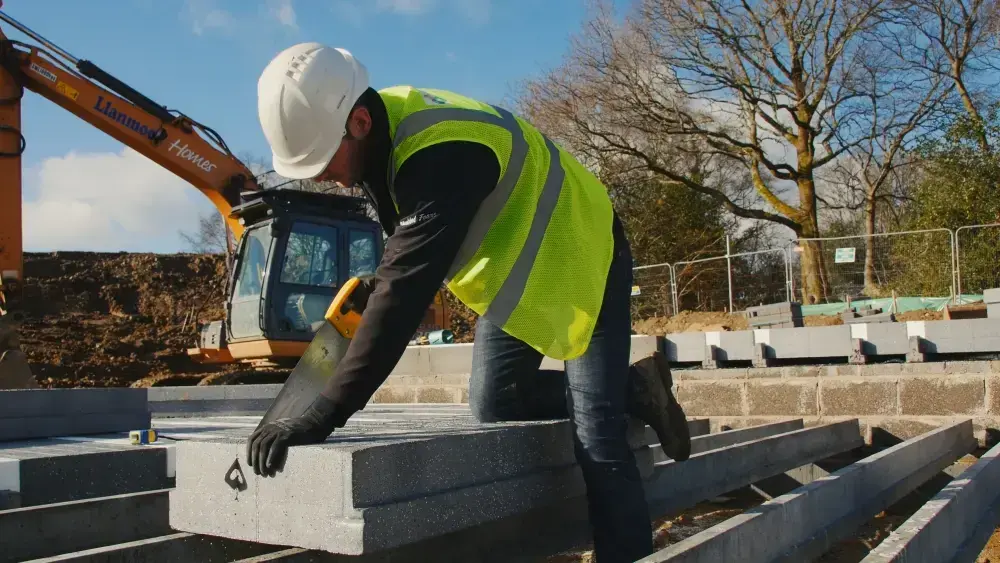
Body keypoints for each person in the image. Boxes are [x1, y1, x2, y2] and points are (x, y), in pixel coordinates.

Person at [246, 42, 691, 563]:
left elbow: (402, 303)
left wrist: (322, 414)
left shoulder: (438, 154)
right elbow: (408, 248)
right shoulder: (382, 127)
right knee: (494, 404)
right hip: (522, 268)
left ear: (360, 122)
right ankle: (637, 387)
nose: (321, 175)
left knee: (597, 435)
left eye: (322, 160)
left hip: (582, 250)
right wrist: (389, 275)